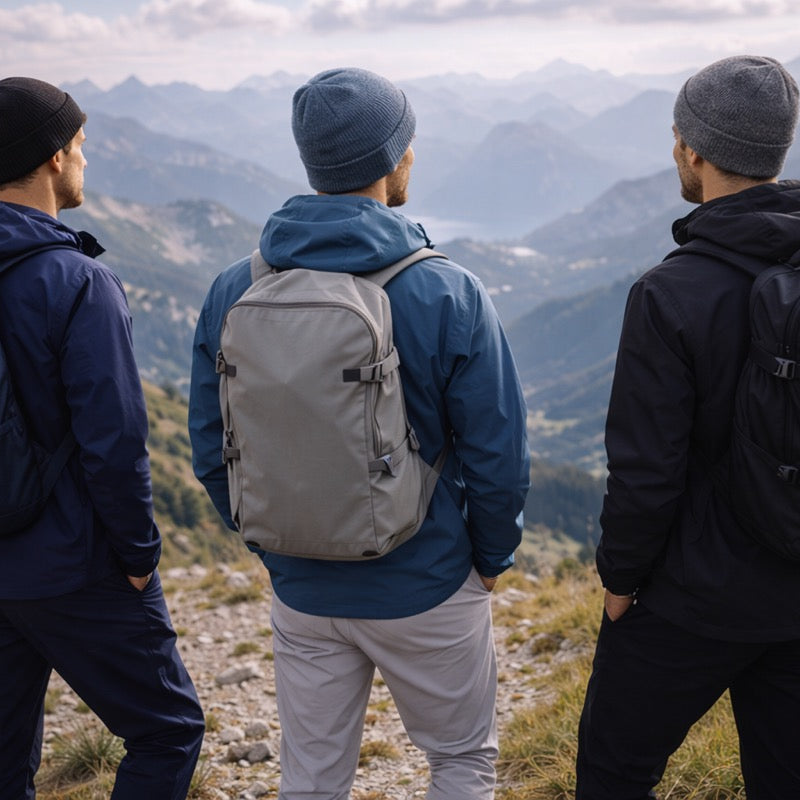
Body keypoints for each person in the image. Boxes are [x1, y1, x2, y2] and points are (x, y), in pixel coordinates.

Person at [189, 67, 530, 799]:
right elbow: (498, 453)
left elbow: (209, 446)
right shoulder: (446, 288)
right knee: (461, 762)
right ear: (395, 157)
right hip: (428, 580)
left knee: (311, 778)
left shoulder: (235, 286)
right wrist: (490, 557)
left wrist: (275, 543)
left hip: (303, 591)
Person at [575, 55, 800, 798]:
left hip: (691, 596)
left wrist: (620, 581)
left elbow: (646, 469)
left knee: (613, 770)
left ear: (693, 152)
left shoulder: (669, 292)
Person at [0, 77, 205, 799]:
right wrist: (139, 555)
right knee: (166, 729)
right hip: (70, 561)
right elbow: (114, 441)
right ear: (53, 159)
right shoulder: (75, 280)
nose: (86, 160)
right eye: (81, 145)